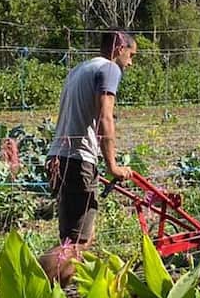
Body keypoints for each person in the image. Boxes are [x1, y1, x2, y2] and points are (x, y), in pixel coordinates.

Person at [45, 30, 137, 249]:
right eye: (131, 55)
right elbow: (105, 118)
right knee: (76, 244)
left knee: (75, 237)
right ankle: (34, 280)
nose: (131, 63)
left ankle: (56, 281)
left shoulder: (79, 69)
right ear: (119, 48)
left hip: (59, 156)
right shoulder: (109, 68)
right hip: (78, 159)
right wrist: (113, 166)